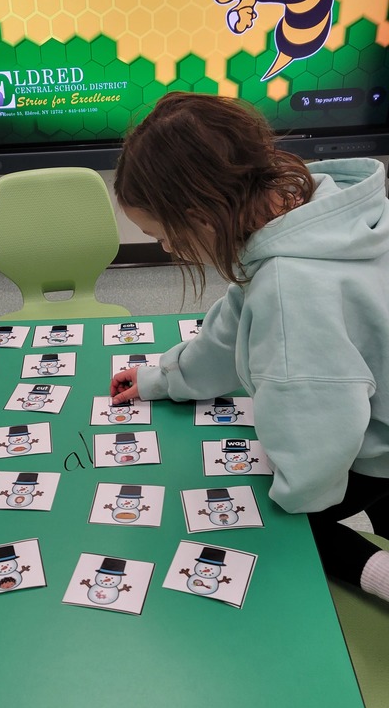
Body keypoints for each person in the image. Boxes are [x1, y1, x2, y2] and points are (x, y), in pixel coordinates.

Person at [110, 92, 389, 603]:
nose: (167, 249)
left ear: (200, 215)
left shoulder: (290, 287)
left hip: (373, 451)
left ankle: (379, 573)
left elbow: (317, 423)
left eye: (162, 234)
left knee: (290, 532)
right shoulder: (304, 211)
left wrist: (298, 498)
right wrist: (161, 379)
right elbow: (227, 333)